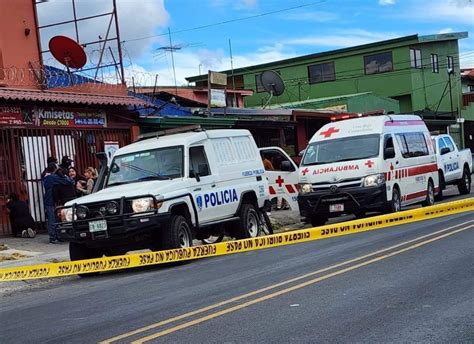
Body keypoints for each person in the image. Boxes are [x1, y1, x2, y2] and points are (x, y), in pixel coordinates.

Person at [43, 163, 74, 244]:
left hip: (48, 199)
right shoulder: (53, 177)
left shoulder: (46, 176)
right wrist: (70, 178)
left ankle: (55, 236)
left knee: (52, 219)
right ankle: (53, 237)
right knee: (53, 219)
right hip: (52, 200)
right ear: (54, 169)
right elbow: (67, 181)